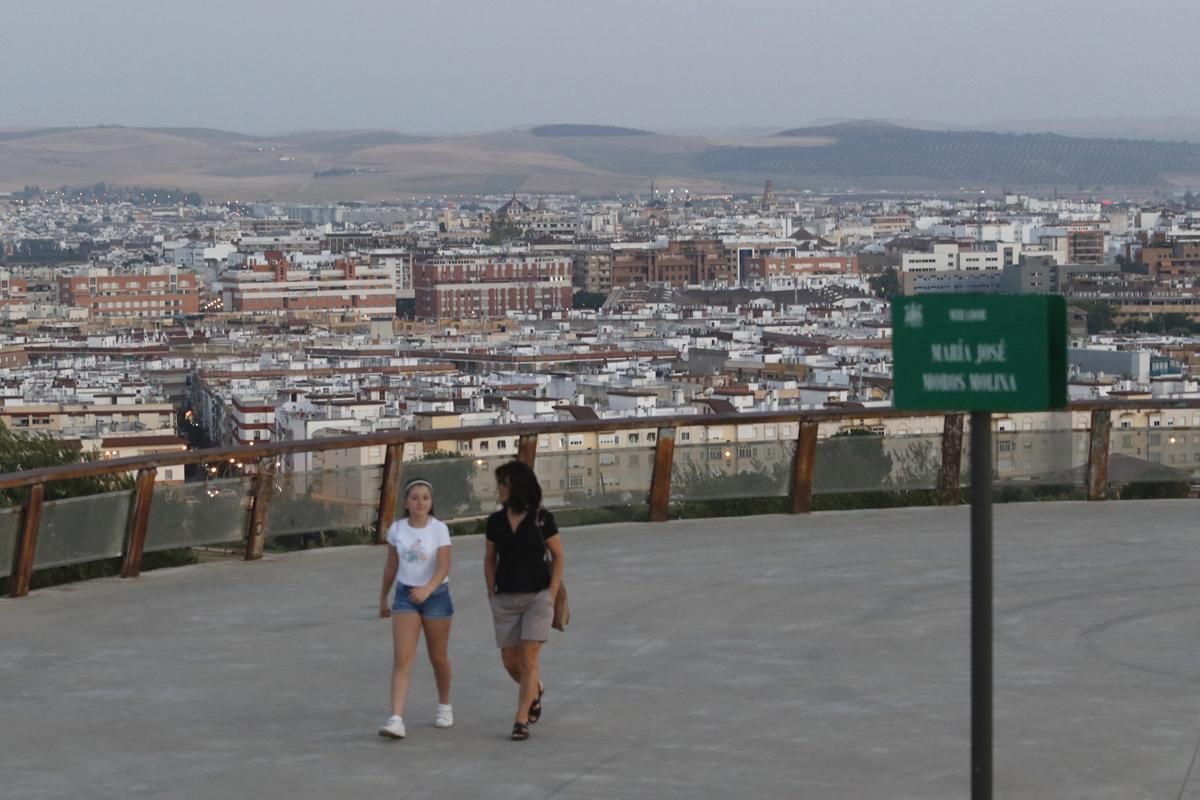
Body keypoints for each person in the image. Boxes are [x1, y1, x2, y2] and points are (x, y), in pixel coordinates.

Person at [484, 460, 565, 741]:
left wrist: (551, 593)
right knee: (510, 661)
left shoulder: (542, 518)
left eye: (503, 484)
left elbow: (559, 556)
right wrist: (490, 593)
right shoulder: (495, 522)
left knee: (529, 658)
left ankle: (521, 720)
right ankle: (535, 690)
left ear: (517, 486)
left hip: (537, 598)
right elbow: (490, 559)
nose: (499, 490)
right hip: (505, 597)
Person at [377, 478, 454, 739]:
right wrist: (383, 598)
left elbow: (444, 565)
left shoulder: (439, 529)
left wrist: (428, 589)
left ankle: (444, 705)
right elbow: (391, 566)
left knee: (438, 656)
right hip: (405, 596)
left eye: (425, 498)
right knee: (403, 658)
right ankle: (396, 718)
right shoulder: (397, 530)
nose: (420, 502)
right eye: (415, 497)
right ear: (407, 502)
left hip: (436, 596)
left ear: (431, 503)